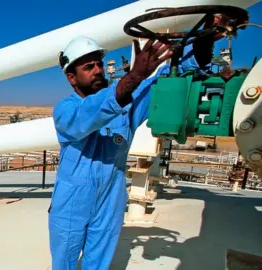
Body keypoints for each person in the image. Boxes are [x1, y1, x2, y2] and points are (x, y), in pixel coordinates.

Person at [48, 24, 222, 270]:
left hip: (111, 195)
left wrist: (201, 48)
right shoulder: (65, 110)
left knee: (98, 262)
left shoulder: (126, 101)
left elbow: (163, 82)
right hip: (72, 201)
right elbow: (89, 116)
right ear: (72, 77)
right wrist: (133, 77)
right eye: (88, 67)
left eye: (99, 64)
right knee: (63, 262)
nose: (98, 70)